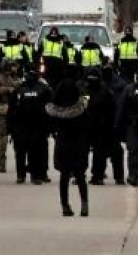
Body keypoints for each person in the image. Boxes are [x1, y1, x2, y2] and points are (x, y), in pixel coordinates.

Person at [47, 78, 90, 217]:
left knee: (64, 176)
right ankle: (84, 204)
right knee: (80, 176)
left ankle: (65, 205)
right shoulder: (80, 108)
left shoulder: (54, 110)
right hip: (78, 143)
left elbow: (51, 125)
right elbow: (87, 124)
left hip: (62, 143)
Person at [8, 65, 52, 184]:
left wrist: (49, 126)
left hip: (37, 125)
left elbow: (50, 107)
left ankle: (36, 175)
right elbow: (12, 108)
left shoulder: (43, 88)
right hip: (21, 125)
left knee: (35, 151)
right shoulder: (19, 88)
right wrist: (11, 127)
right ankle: (21, 175)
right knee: (21, 152)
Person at [84, 66, 117, 185]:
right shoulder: (83, 91)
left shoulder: (105, 92)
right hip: (85, 127)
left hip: (100, 128)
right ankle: (79, 175)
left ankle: (98, 176)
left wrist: (109, 125)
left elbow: (112, 110)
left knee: (99, 154)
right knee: (82, 152)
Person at [0, 59, 19, 174]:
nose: (12, 69)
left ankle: (19, 164)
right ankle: (2, 165)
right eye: (10, 67)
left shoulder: (15, 78)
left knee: (18, 140)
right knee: (3, 139)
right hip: (3, 111)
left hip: (15, 111)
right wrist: (7, 89)